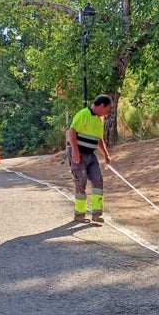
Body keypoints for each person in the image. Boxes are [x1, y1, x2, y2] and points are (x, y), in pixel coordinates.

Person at [67, 94, 113, 223]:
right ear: (102, 105)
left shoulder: (99, 121)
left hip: (90, 155)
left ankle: (97, 213)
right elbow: (71, 132)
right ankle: (80, 214)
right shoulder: (83, 114)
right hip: (78, 153)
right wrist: (75, 151)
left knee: (98, 180)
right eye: (108, 108)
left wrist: (106, 154)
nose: (108, 112)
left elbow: (99, 140)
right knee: (81, 182)